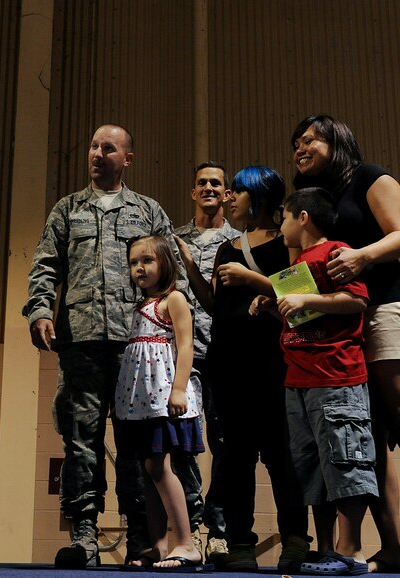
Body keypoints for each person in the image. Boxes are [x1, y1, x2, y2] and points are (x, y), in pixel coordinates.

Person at [290, 115, 400, 574]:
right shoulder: (316, 203)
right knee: (371, 432)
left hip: (386, 307)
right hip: (342, 322)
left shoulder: (369, 176)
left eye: (309, 139)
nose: (299, 148)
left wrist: (361, 256)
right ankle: (390, 548)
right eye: (295, 143)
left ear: (337, 140)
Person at [23, 124, 183, 569]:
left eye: (107, 148)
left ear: (127, 158)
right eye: (93, 146)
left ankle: (140, 538)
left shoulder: (148, 212)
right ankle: (85, 536)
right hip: (81, 342)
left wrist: (178, 335)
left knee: (135, 444)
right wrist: (39, 310)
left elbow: (175, 277)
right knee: (81, 440)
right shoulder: (67, 210)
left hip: (138, 347)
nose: (97, 154)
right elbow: (44, 266)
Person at [178, 166, 310, 571]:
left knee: (281, 456)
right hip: (228, 363)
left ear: (259, 197)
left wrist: (249, 277)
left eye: (238, 191)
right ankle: (239, 542)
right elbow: (217, 307)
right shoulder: (227, 248)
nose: (229, 197)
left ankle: (295, 539)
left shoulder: (286, 243)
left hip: (274, 364)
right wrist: (189, 268)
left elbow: (302, 297)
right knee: (234, 459)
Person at [251, 187, 376, 576]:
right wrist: (276, 308)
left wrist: (308, 300)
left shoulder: (334, 251)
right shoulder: (298, 264)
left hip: (335, 376)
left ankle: (350, 552)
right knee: (314, 470)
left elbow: (356, 300)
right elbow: (302, 325)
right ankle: (325, 551)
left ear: (303, 217)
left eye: (284, 217)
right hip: (299, 380)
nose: (280, 226)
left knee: (345, 460)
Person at [114, 235, 208, 571]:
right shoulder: (141, 306)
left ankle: (186, 542)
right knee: (147, 469)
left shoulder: (175, 300)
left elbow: (185, 347)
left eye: (147, 260)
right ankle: (159, 545)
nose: (139, 267)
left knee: (159, 466)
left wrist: (179, 389)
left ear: (165, 262)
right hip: (140, 401)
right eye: (134, 262)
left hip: (162, 397)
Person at [172, 161, 238, 562]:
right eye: (202, 183)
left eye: (216, 183)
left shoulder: (240, 242)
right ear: (193, 192)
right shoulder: (172, 239)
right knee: (183, 442)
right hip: (180, 354)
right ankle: (194, 523)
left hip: (224, 352)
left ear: (227, 194)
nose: (209, 188)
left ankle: (218, 527)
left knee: (225, 442)